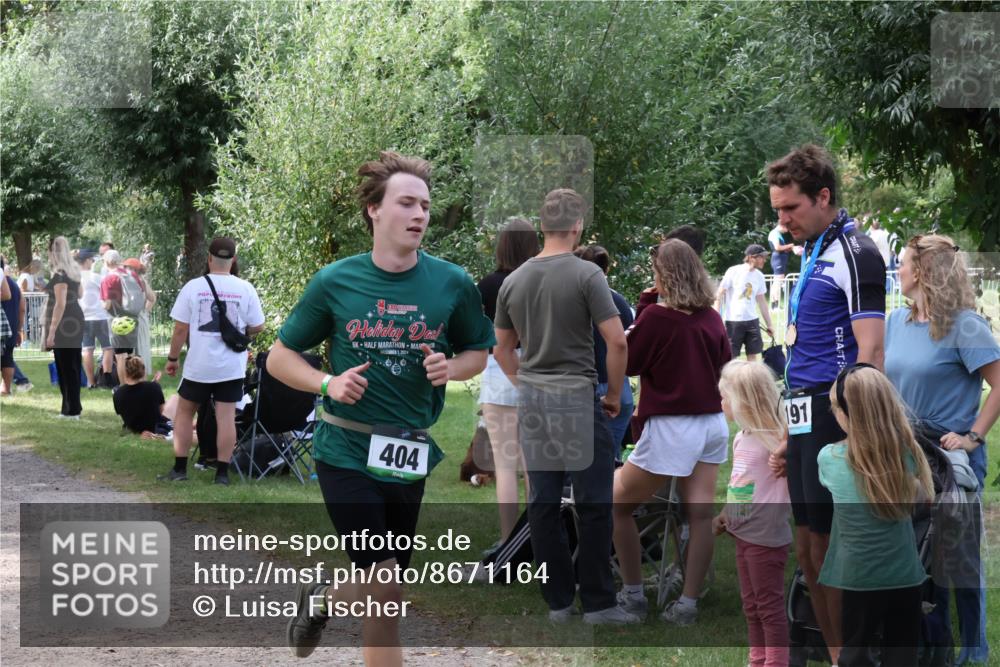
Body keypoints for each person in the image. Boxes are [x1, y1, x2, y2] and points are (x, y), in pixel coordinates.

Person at [270, 152, 493, 664]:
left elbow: (478, 352)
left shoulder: (451, 283)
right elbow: (280, 356)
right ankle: (329, 601)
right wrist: (326, 382)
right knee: (386, 586)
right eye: (407, 203)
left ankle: (324, 598)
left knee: (384, 590)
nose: (420, 215)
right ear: (374, 209)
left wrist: (451, 369)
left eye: (426, 205)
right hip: (345, 447)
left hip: (405, 449)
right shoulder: (335, 281)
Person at [766, 144, 886, 666]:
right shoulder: (814, 248)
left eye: (790, 209)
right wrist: (788, 430)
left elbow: (873, 352)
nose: (782, 221)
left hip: (838, 416)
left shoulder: (857, 252)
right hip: (803, 412)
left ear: (823, 197)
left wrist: (862, 433)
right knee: (809, 548)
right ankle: (836, 651)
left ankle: (852, 654)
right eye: (776, 211)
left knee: (836, 547)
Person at [494, 188, 634, 626]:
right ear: (578, 226)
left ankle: (557, 602)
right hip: (576, 397)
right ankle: (598, 604)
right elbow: (617, 340)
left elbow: (502, 350)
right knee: (593, 502)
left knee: (543, 502)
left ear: (542, 225)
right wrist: (613, 394)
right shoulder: (587, 275)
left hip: (533, 400)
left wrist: (526, 381)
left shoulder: (514, 280)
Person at [885, 234, 999, 665]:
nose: (898, 270)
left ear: (925, 271)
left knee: (959, 558)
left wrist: (973, 436)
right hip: (905, 449)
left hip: (952, 456)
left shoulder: (965, 325)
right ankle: (930, 643)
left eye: (903, 263)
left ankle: (974, 649)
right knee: (914, 551)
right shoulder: (897, 321)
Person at [612, 239, 731, 626]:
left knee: (616, 505)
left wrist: (646, 305)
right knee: (699, 515)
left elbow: (629, 362)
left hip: (672, 426)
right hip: (711, 422)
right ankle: (688, 604)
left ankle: (632, 594)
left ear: (663, 276)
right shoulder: (712, 318)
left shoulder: (657, 317)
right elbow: (726, 367)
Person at [821, 364, 934, 667]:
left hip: (858, 579)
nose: (833, 413)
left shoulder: (829, 458)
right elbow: (922, 498)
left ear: (848, 412)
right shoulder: (906, 455)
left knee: (855, 653)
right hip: (905, 576)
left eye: (835, 407)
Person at [162, 237, 265, 486]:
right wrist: (238, 332)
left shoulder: (193, 287)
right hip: (231, 366)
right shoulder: (245, 288)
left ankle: (179, 469)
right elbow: (258, 325)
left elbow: (180, 329)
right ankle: (221, 474)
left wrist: (173, 358)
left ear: (209, 258)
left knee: (185, 414)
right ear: (234, 260)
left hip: (199, 365)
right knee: (226, 417)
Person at [713, 360, 791, 667]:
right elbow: (741, 484)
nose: (721, 403)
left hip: (766, 537)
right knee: (751, 604)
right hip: (744, 534)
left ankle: (775, 663)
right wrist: (727, 513)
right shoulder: (743, 437)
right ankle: (756, 660)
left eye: (725, 397)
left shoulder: (776, 441)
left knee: (769, 607)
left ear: (744, 402)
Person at [478, 217, 538, 544]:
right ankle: (536, 537)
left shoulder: (487, 285)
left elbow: (477, 333)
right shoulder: (542, 280)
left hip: (497, 368)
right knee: (534, 467)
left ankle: (507, 541)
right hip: (534, 367)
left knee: (504, 465)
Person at [574, 244, 634, 455]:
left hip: (583, 384)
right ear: (606, 270)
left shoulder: (570, 300)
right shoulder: (619, 301)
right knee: (610, 453)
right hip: (618, 385)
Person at [44, 236, 85, 419]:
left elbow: (59, 305)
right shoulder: (74, 271)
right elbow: (81, 294)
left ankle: (72, 410)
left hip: (65, 322)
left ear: (53, 252)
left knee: (66, 366)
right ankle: (69, 408)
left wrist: (51, 332)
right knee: (72, 365)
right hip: (76, 316)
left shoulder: (60, 274)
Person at [716, 244, 774, 362]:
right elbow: (719, 295)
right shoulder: (733, 271)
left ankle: (751, 380)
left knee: (753, 357)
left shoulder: (760, 276)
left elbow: (762, 301)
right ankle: (732, 380)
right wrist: (717, 319)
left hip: (752, 321)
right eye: (762, 257)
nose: (765, 260)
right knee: (731, 357)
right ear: (752, 257)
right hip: (733, 322)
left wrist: (769, 324)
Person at [101, 250, 146, 385]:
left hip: (117, 320)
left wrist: (102, 305)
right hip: (133, 318)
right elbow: (142, 294)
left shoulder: (109, 278)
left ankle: (124, 387)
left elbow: (107, 304)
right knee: (131, 355)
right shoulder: (131, 274)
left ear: (107, 262)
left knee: (120, 356)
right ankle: (136, 383)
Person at [77, 249, 114, 389]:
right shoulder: (96, 277)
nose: (93, 263)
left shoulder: (74, 278)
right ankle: (106, 380)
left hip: (83, 317)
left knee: (87, 350)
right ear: (86, 261)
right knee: (108, 348)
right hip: (100, 316)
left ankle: (91, 382)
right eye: (92, 260)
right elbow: (107, 295)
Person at [113, 355, 173, 438]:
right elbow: (161, 410)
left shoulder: (118, 393)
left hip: (134, 428)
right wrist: (154, 385)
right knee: (174, 399)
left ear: (126, 372)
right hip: (155, 427)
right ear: (143, 371)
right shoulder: (154, 387)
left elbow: (134, 401)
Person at [0, 257, 29, 395]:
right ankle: (6, 389)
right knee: (8, 358)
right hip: (11, 326)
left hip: (2, 325)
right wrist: (19, 329)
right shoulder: (15, 285)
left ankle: (17, 383)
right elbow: (23, 307)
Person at [125, 257, 156, 376]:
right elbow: (152, 299)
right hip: (133, 318)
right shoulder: (136, 281)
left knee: (139, 347)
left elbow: (152, 298)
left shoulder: (140, 281)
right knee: (132, 348)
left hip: (135, 318)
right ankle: (132, 374)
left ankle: (140, 374)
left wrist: (144, 311)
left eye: (127, 267)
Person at [767, 221, 799, 308]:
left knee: (777, 282)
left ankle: (774, 304)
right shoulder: (774, 233)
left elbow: (781, 248)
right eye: (786, 228)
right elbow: (777, 247)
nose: (787, 230)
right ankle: (775, 305)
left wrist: (789, 248)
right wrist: (791, 246)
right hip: (778, 259)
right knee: (778, 282)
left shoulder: (777, 234)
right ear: (781, 225)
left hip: (780, 259)